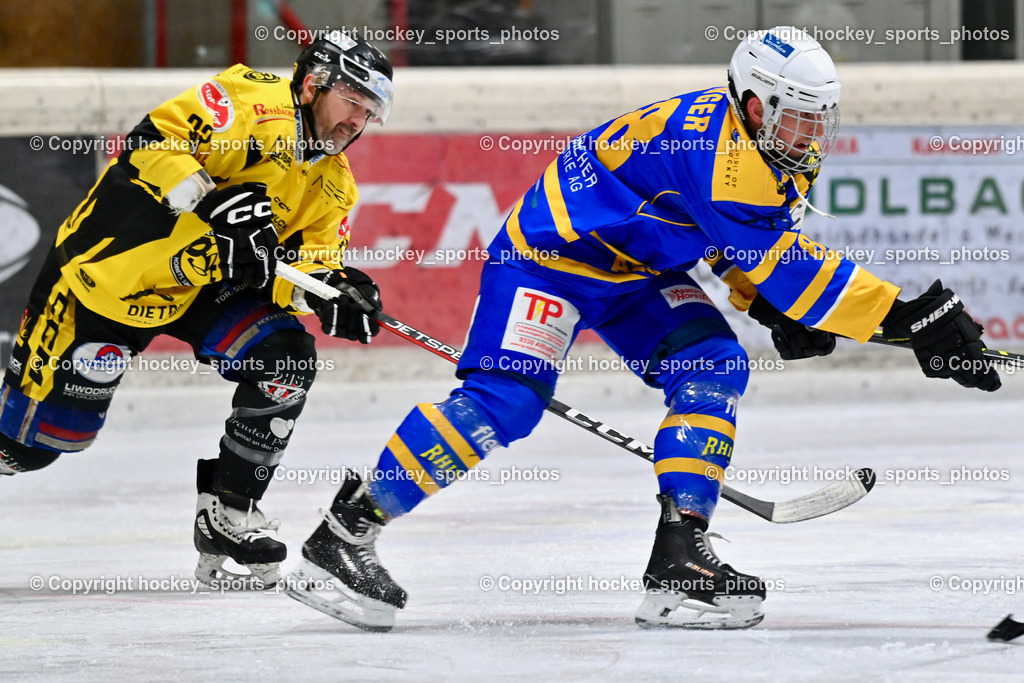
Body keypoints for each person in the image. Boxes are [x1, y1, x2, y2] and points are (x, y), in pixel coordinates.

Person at [283, 26, 1000, 631]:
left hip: (635, 271)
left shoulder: (768, 148)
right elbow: (789, 267)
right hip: (548, 261)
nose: (809, 137)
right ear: (755, 103)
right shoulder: (727, 154)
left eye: (819, 121)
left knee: (714, 366)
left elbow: (735, 248)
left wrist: (767, 306)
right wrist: (912, 319)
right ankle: (344, 532)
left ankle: (680, 558)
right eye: (796, 120)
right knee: (504, 404)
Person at [0, 32, 394, 589]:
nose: (357, 122)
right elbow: (148, 144)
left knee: (284, 357)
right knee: (27, 450)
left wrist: (334, 295)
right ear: (312, 85)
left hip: (196, 291)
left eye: (369, 112)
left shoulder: (333, 186)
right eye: (352, 102)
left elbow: (302, 271)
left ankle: (228, 512)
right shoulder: (250, 104)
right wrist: (210, 200)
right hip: (106, 280)